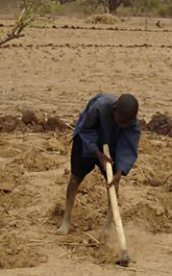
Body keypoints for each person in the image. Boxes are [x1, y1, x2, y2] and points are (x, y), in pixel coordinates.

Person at [57, 92, 141, 234]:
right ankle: (66, 220)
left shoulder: (132, 123)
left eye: (125, 124)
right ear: (114, 110)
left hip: (112, 142)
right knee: (75, 177)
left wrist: (119, 172)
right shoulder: (99, 106)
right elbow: (85, 129)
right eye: (120, 121)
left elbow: (128, 147)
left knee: (113, 183)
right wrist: (97, 153)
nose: (123, 125)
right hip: (86, 140)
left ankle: (109, 224)